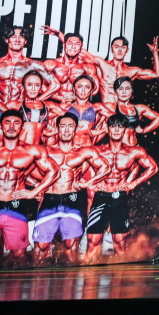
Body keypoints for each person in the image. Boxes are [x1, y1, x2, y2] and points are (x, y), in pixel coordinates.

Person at [0, 111, 55, 264]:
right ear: (0, 125)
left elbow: (54, 171)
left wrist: (34, 192)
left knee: (19, 254)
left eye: (16, 123)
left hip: (17, 205)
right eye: (7, 122)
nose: (11, 126)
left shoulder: (32, 151)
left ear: (22, 127)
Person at [32, 111, 109, 264]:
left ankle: (70, 279)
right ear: (57, 129)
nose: (66, 130)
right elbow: (26, 168)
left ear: (75, 129)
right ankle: (37, 278)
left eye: (70, 126)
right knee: (41, 246)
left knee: (71, 245)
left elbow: (105, 167)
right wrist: (37, 186)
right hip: (49, 199)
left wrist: (87, 183)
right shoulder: (46, 151)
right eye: (63, 126)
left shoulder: (83, 151)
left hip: (72, 200)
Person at [85, 113, 158, 263]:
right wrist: (90, 182)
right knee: (93, 240)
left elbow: (153, 168)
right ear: (107, 129)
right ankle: (86, 273)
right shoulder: (96, 150)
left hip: (119, 197)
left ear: (125, 130)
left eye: (120, 127)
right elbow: (75, 167)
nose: (117, 130)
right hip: (101, 196)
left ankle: (120, 274)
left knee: (119, 240)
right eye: (113, 127)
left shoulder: (134, 151)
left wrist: (134, 183)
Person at [96, 76, 159, 140]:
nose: (124, 92)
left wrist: (144, 130)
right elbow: (93, 116)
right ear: (116, 91)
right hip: (116, 146)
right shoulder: (109, 107)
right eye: (120, 89)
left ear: (132, 90)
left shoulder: (139, 108)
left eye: (127, 89)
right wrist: (101, 130)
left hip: (132, 146)